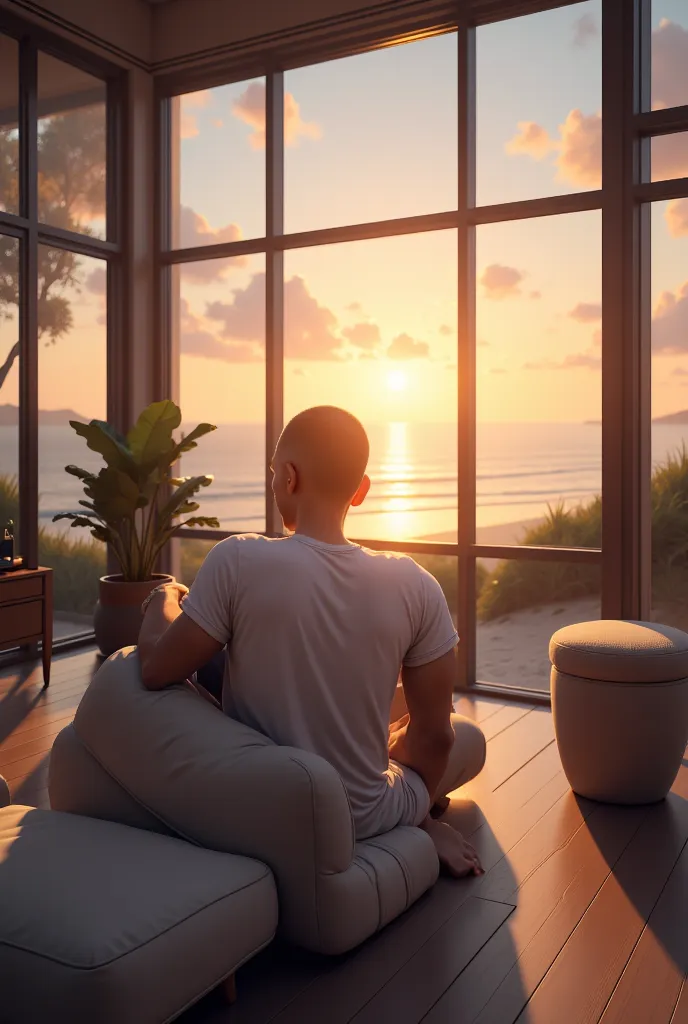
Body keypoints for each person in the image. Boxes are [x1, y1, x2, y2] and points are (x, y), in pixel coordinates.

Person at [138, 406, 486, 877]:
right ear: (360, 491)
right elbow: (435, 737)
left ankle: (389, 773)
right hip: (363, 816)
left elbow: (156, 668)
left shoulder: (238, 560)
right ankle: (420, 815)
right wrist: (398, 781)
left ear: (287, 477)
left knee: (217, 663)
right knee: (460, 731)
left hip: (260, 803)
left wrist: (163, 596)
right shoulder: (416, 584)